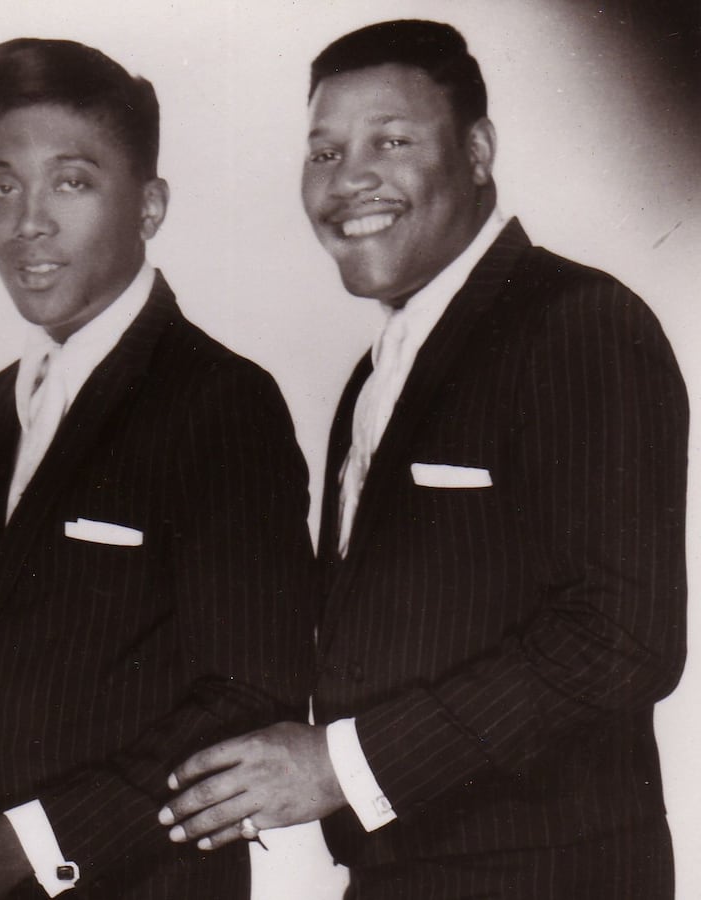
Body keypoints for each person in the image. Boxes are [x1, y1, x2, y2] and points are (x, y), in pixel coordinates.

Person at [159, 20, 688, 898]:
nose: (349, 178)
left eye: (391, 140)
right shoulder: (379, 374)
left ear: (478, 150)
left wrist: (342, 767)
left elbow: (623, 638)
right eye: (323, 152)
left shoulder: (578, 322)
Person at [0, 38, 316, 900]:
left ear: (150, 207)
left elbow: (248, 702)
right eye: (2, 184)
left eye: (70, 182)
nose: (26, 221)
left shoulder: (222, 402)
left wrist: (23, 844)